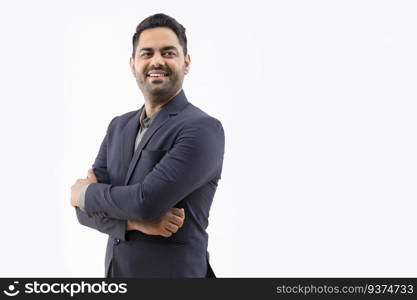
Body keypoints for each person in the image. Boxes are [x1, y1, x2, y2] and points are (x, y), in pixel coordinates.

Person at [70, 13, 225, 278]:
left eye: (168, 53)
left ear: (185, 63)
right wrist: (133, 223)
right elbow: (84, 215)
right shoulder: (118, 126)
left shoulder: (202, 129)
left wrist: (85, 193)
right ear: (133, 64)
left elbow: (146, 202)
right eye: (146, 53)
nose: (157, 61)